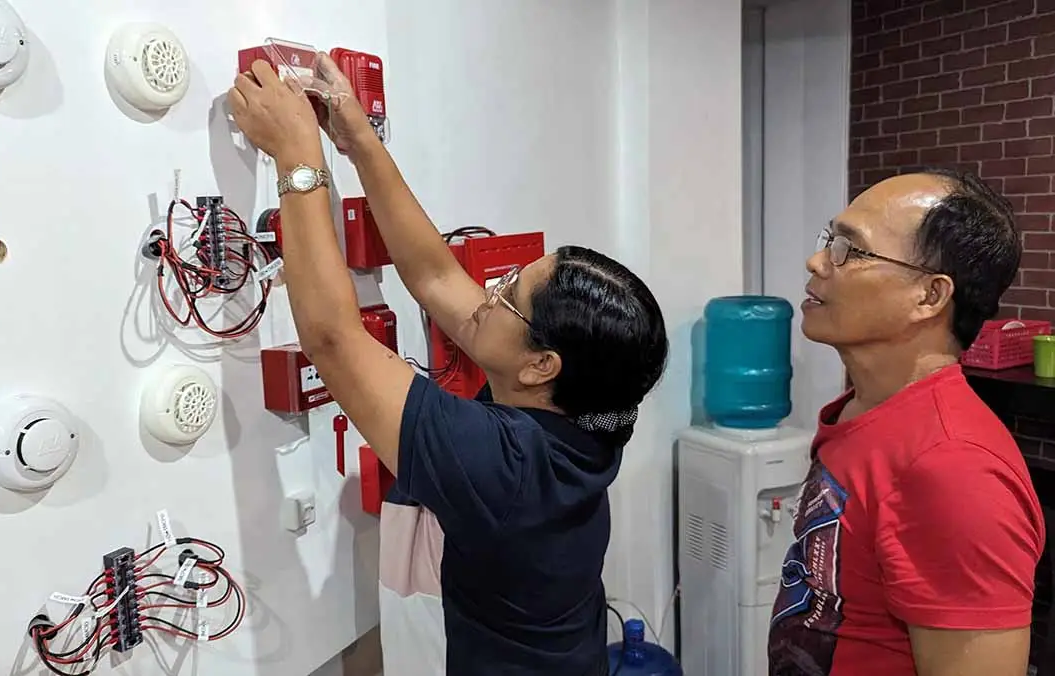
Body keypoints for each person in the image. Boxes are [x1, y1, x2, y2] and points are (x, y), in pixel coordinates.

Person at [227, 54, 669, 675]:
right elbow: (435, 275)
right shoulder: (584, 414)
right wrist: (358, 143)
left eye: (509, 294)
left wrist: (298, 159)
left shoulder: (506, 466)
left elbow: (332, 340)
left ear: (542, 365)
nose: (489, 292)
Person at [768, 169, 1045, 676]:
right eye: (831, 240)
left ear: (930, 296)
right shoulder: (861, 408)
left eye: (851, 250)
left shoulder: (954, 470)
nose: (816, 261)